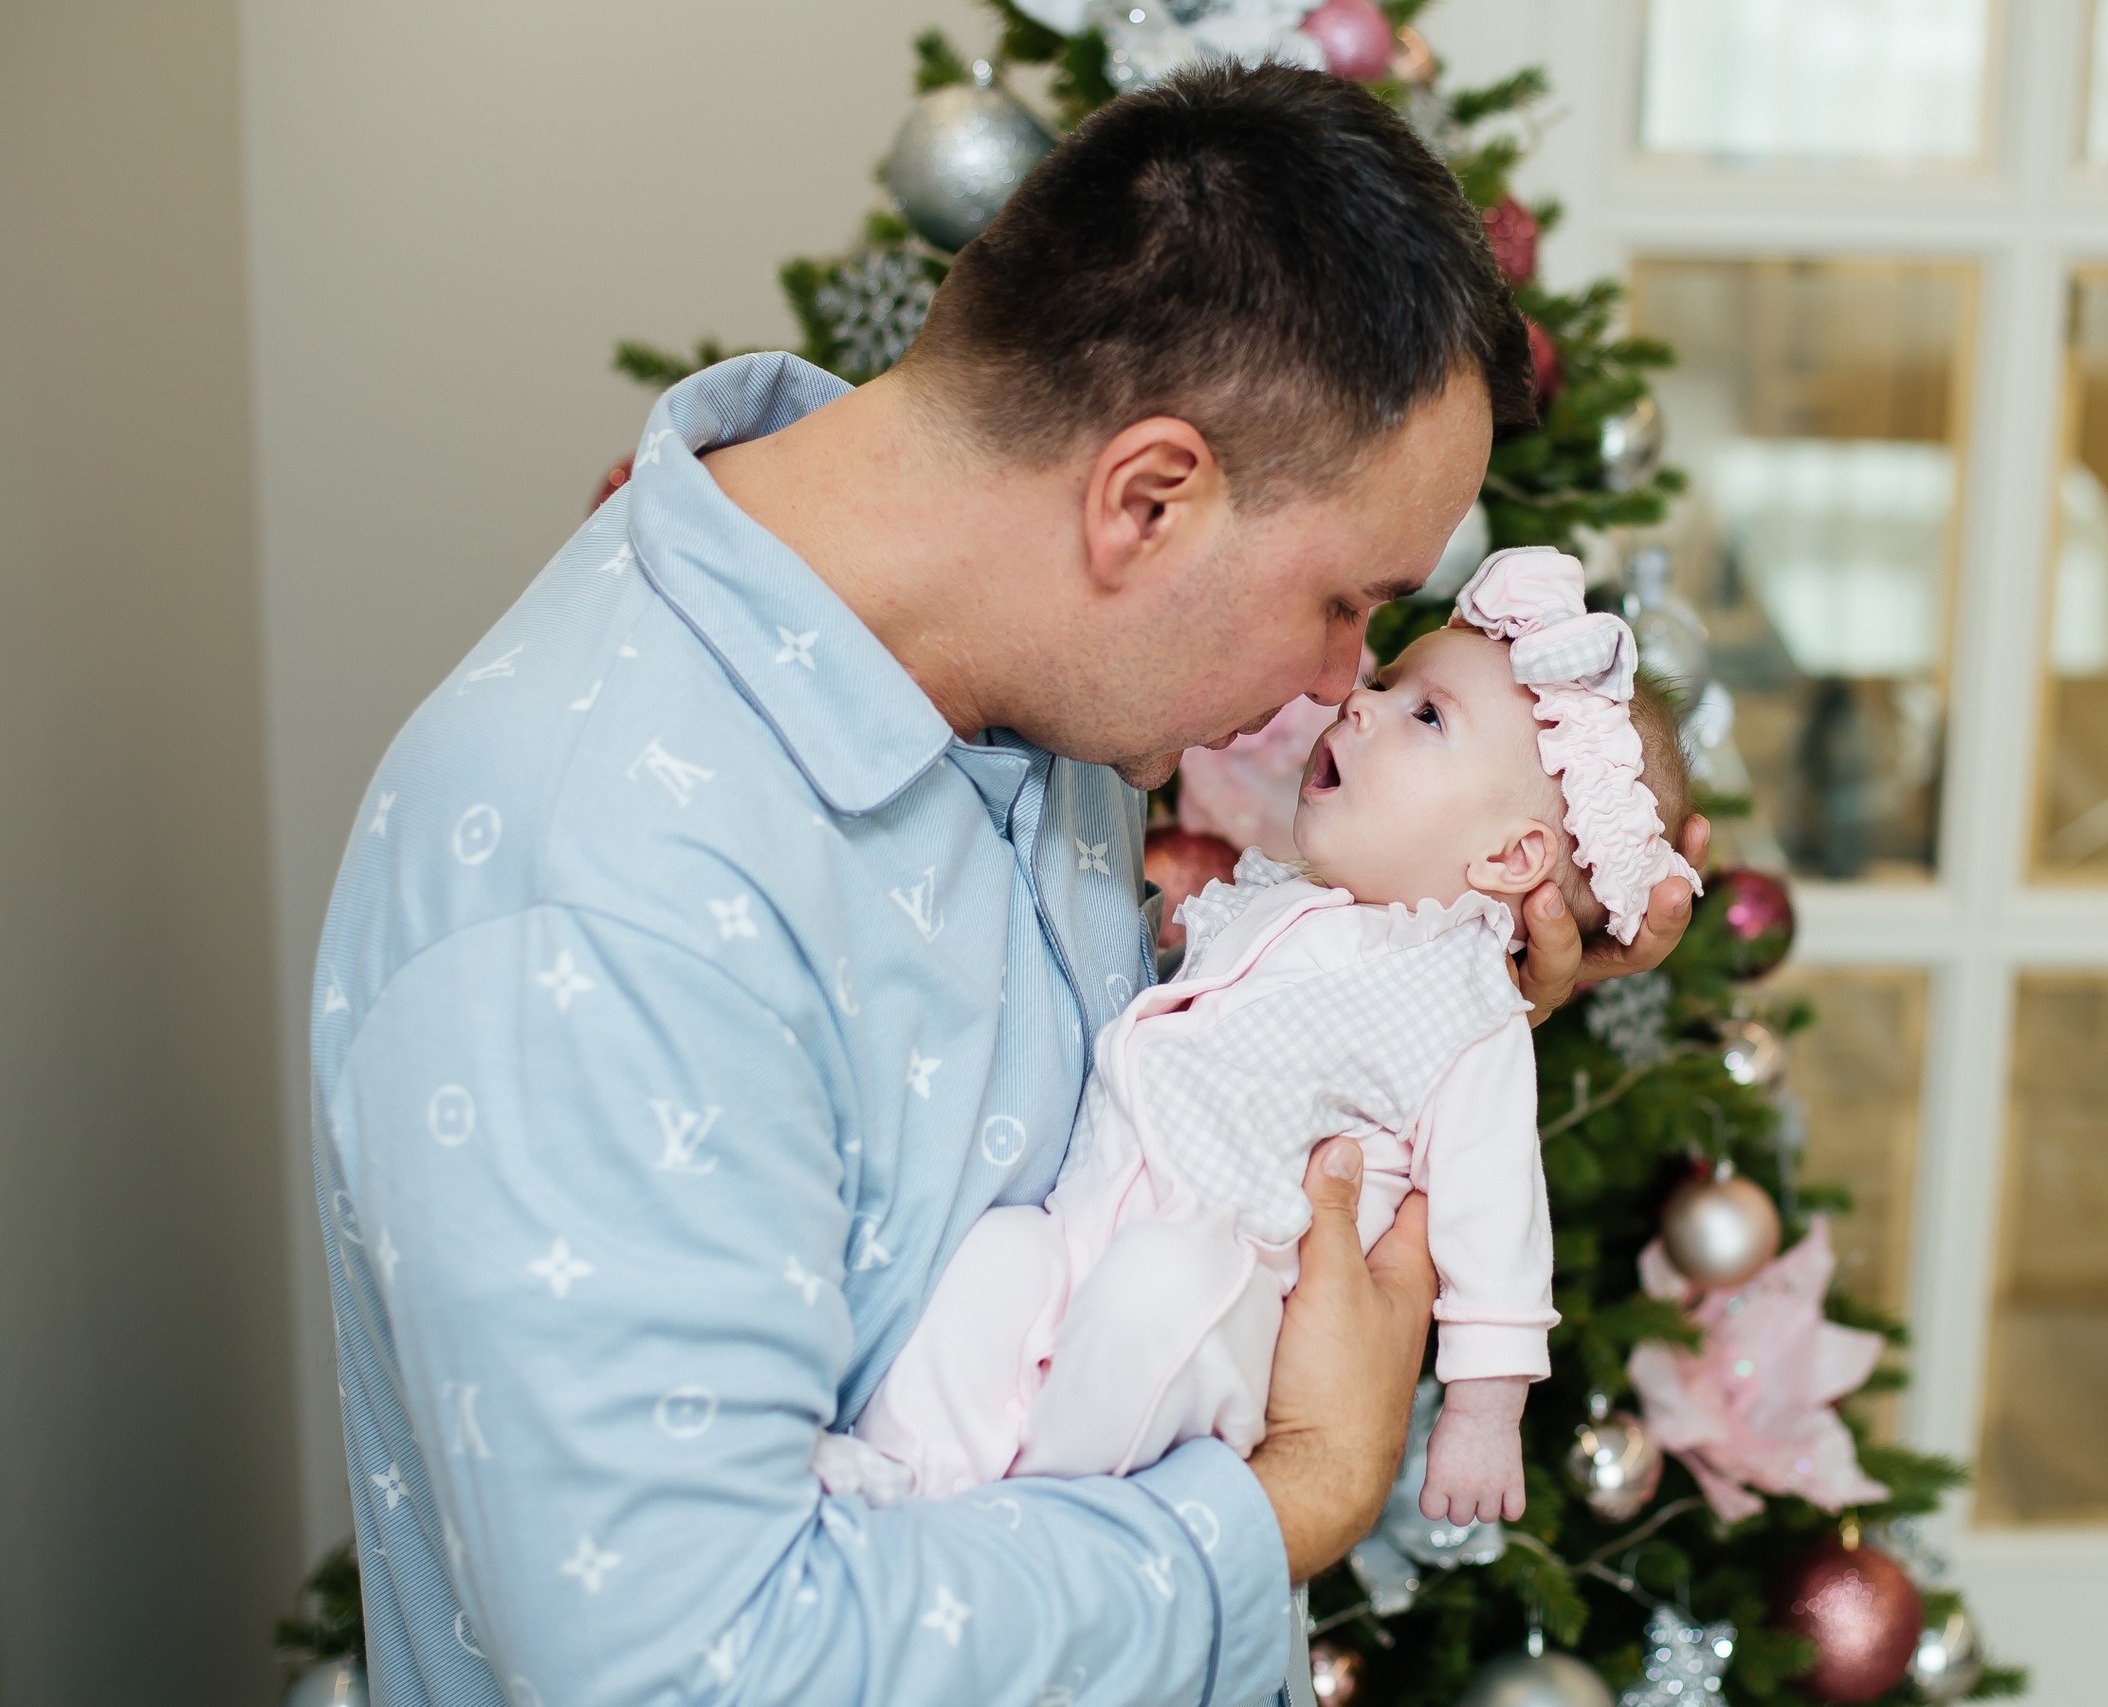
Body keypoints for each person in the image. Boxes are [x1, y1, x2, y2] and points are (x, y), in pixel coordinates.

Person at [311, 63, 1705, 1707]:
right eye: (1346, 600)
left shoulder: (1021, 687)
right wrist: (1289, 1505)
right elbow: (692, 1672)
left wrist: (1474, 962)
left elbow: (1182, 1102)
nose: (1345, 681)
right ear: (1150, 500)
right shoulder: (598, 899)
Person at [828, 546, 1698, 1535]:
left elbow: (1497, 1216)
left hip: (1225, 1280)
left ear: (1510, 857)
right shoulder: (1282, 898)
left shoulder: (1467, 1006)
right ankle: (902, 1472)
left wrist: (1484, 1413)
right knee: (994, 1259)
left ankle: (1037, 1520)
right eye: (1385, 682)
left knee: (1155, 1296)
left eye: (1425, 717)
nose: (1359, 705)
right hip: (1087, 1211)